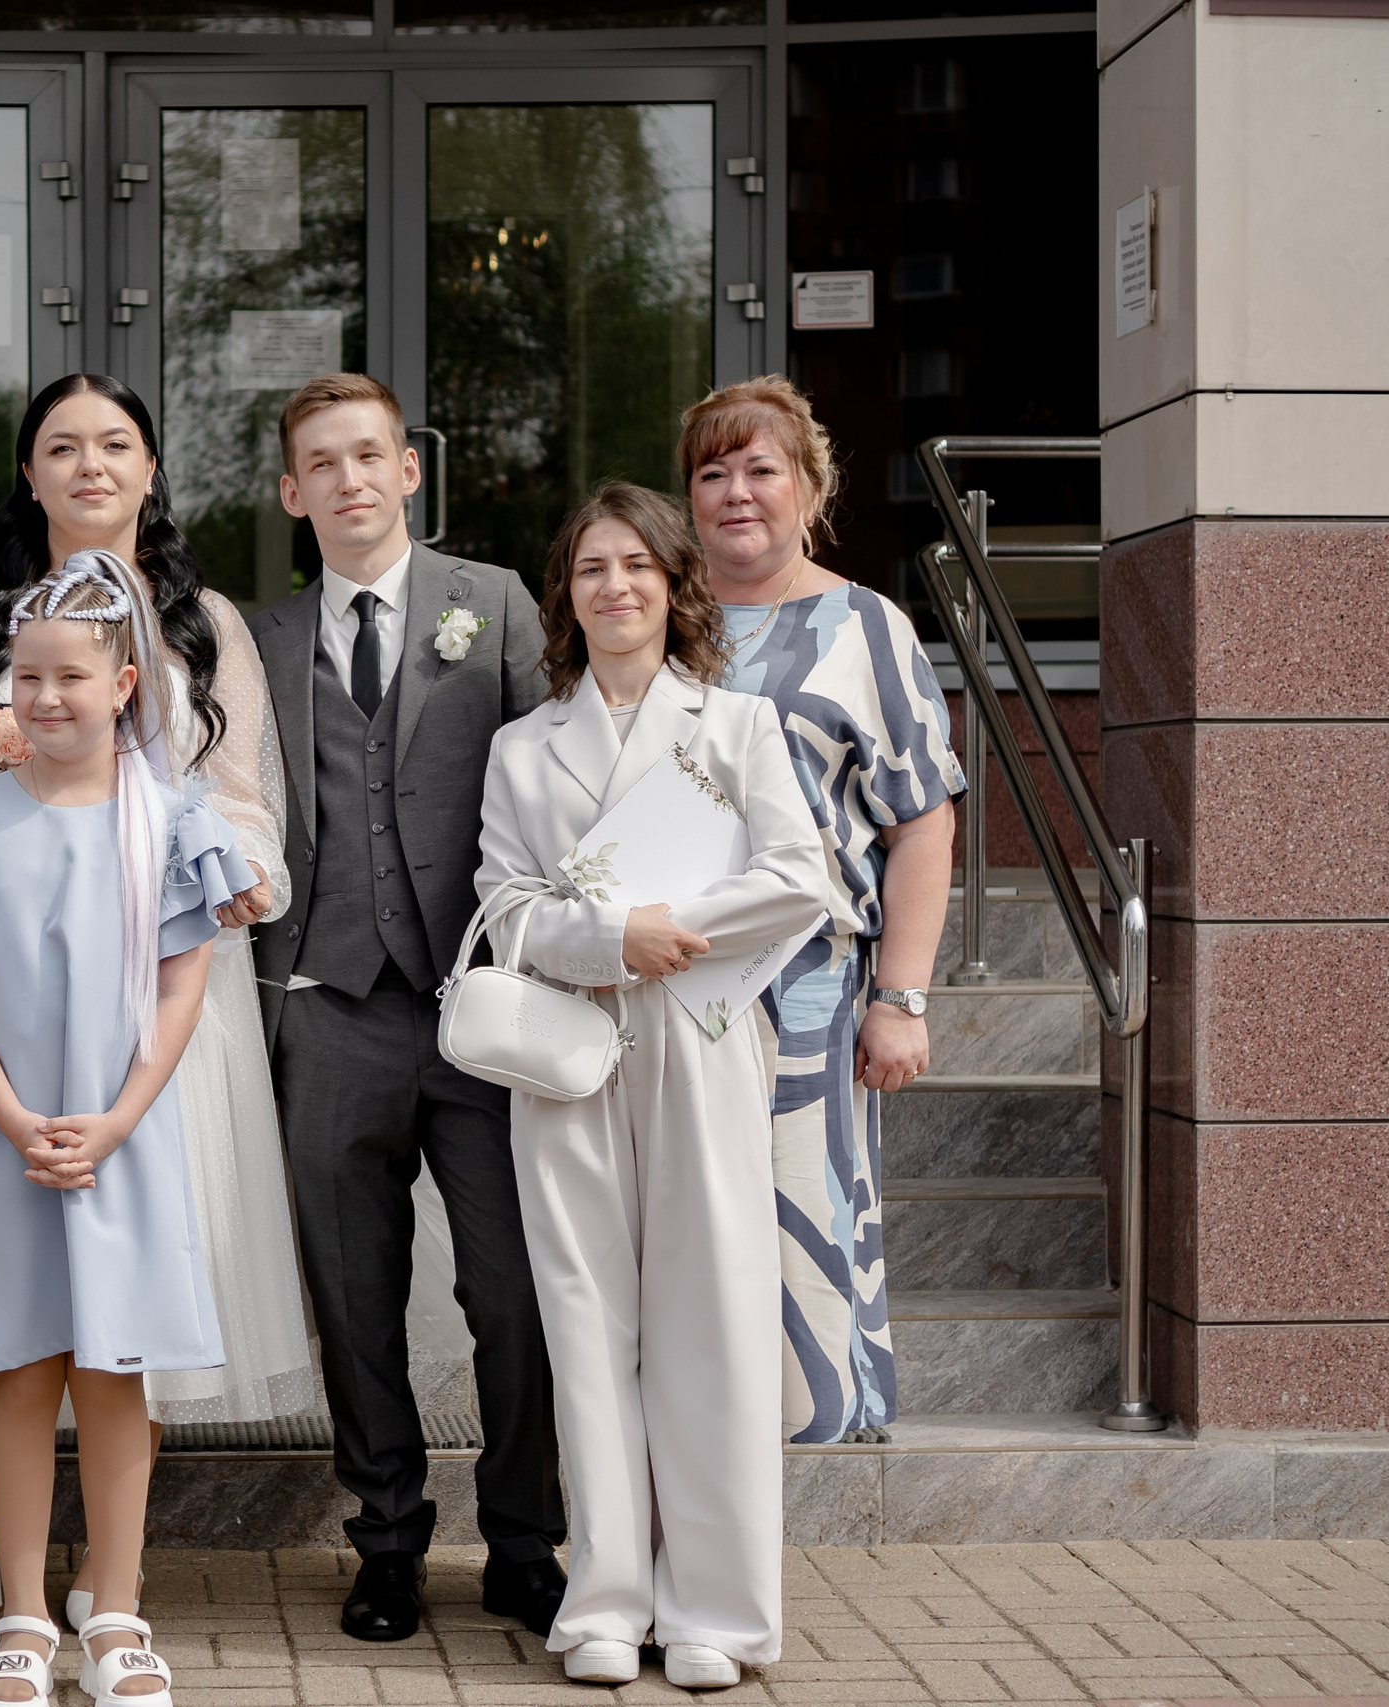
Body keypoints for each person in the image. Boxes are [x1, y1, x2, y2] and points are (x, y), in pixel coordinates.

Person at [0, 373, 313, 1641]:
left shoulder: (204, 620)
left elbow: (250, 791)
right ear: (29, 471)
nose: (90, 464)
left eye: (115, 444)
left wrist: (214, 866)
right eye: (63, 446)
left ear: (151, 469)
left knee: (123, 1277)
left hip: (150, 985)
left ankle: (111, 1579)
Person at [473, 483, 827, 1688]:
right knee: (586, 1324)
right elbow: (504, 910)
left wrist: (666, 929)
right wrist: (608, 939)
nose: (613, 586)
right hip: (568, 1049)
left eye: (635, 566)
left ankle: (717, 1615)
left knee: (712, 1319)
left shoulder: (737, 728)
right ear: (564, 598)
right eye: (589, 570)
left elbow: (799, 876)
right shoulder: (523, 747)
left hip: (700, 1035)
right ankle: (606, 1604)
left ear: (673, 585)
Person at [0, 553, 254, 1707]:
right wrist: (13, 1121)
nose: (47, 699)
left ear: (126, 687)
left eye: (71, 679)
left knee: (115, 1373)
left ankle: (120, 1608)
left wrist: (116, 1120)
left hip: (122, 1135)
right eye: (26, 679)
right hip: (12, 1135)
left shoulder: (171, 821)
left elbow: (179, 991)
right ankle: (23, 1614)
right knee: (18, 1367)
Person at [250, 372, 566, 1644]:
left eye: (369, 456)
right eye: (321, 463)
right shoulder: (258, 638)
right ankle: (384, 1540)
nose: (349, 480)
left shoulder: (490, 606)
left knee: (511, 1290)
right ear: (291, 492)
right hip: (327, 1009)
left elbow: (559, 772)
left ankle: (524, 1539)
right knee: (353, 1294)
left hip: (479, 1005)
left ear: (409, 469)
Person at [682, 375, 962, 1446]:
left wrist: (901, 996)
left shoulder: (866, 627)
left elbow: (921, 825)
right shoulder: (663, 615)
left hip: (809, 988)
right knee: (692, 1216)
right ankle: (704, 1433)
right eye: (713, 474)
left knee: (802, 1207)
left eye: (760, 470)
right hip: (675, 973)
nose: (736, 494)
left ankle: (809, 1431)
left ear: (809, 486)